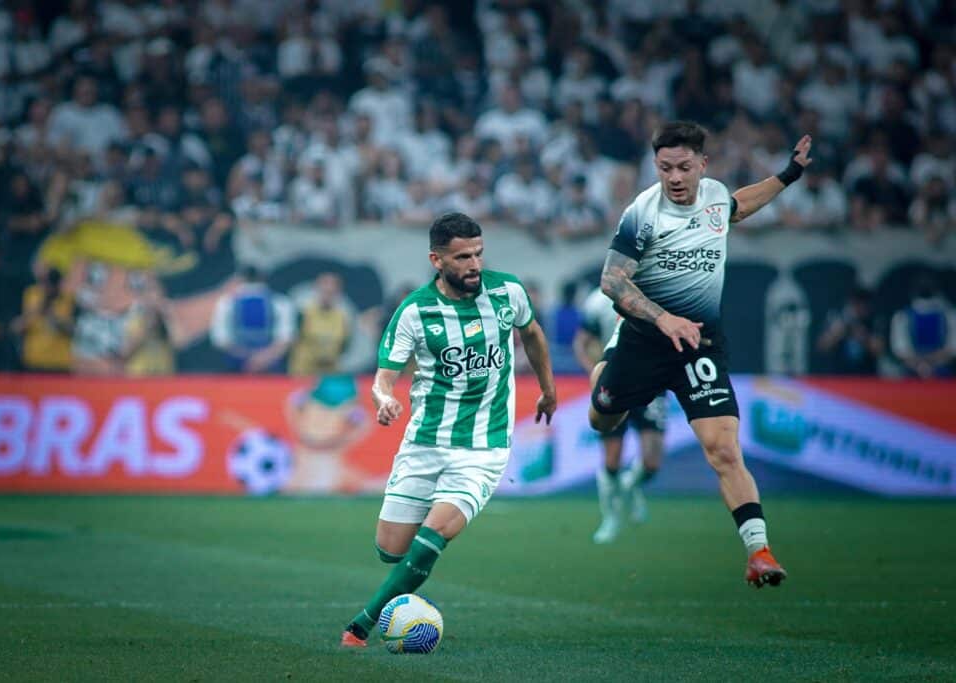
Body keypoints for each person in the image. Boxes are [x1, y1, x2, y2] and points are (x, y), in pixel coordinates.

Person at [589, 121, 813, 588]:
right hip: (644, 342)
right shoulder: (642, 212)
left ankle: (759, 551)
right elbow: (612, 281)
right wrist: (663, 319)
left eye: (683, 167)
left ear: (702, 165)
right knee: (602, 418)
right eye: (664, 167)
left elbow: (740, 205)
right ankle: (604, 373)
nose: (673, 176)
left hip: (699, 344)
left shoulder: (714, 195)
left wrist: (788, 174)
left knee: (724, 449)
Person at [340, 212, 557, 647]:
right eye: (462, 257)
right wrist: (384, 400)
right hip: (424, 441)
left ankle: (360, 626)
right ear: (436, 259)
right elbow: (385, 377)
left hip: (484, 445)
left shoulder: (506, 291)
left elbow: (532, 333)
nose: (474, 264)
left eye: (478, 253)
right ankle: (410, 577)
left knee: (434, 532)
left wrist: (548, 390)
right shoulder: (415, 311)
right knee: (391, 549)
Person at [574, 286, 666, 543]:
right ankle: (610, 518)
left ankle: (630, 485)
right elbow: (582, 342)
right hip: (614, 381)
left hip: (651, 381)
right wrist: (595, 372)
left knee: (652, 463)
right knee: (612, 458)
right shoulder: (597, 301)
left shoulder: (658, 291)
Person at [889, 274, 956, 378]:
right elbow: (901, 350)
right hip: (912, 372)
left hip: (942, 372)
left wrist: (925, 364)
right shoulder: (903, 316)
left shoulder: (948, 315)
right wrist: (923, 365)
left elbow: (901, 349)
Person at [815, 287, 884, 375]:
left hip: (866, 376)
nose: (862, 309)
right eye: (857, 305)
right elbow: (821, 347)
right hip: (838, 375)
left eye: (865, 305)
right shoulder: (836, 317)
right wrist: (836, 334)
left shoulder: (874, 320)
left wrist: (863, 337)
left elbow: (879, 350)